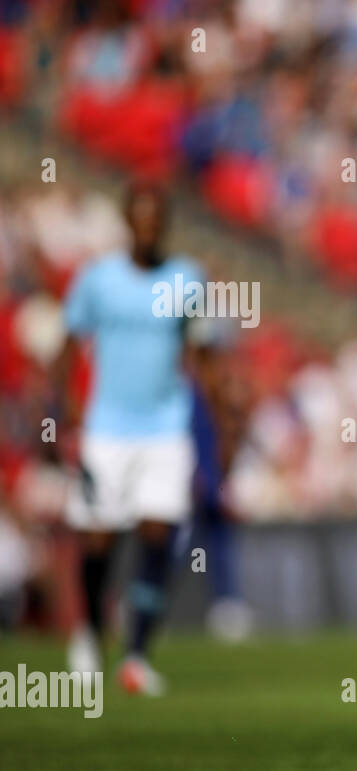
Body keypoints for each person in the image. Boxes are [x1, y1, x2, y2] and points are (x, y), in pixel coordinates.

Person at [60, 183, 206, 695]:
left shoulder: (187, 278)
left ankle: (137, 654)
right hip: (107, 428)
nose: (148, 227)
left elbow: (197, 347)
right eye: (140, 217)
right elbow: (68, 340)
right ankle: (89, 633)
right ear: (127, 221)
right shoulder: (99, 280)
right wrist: (65, 413)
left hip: (166, 427)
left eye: (156, 218)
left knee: (157, 534)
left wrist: (208, 422)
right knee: (98, 538)